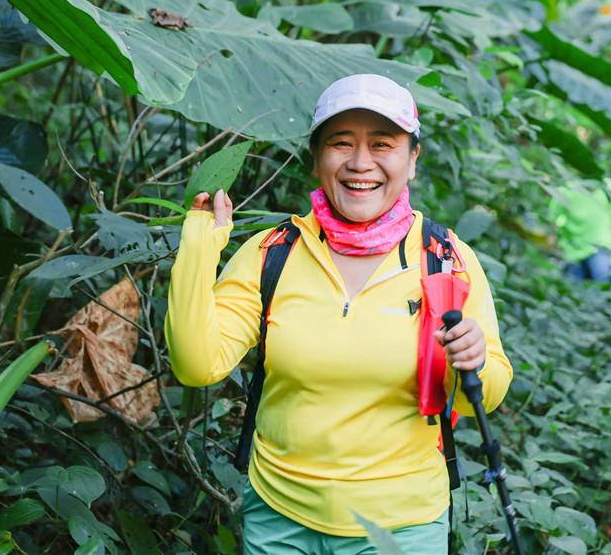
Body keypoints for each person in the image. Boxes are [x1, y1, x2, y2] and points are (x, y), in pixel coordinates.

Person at [164, 73, 513, 555]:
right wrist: (202, 241)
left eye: (383, 144)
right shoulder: (273, 254)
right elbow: (195, 364)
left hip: (401, 526)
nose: (360, 162)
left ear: (412, 160)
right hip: (278, 516)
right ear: (317, 160)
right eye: (341, 143)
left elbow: (490, 393)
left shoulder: (445, 257)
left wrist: (473, 360)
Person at [550, 177, 611, 282]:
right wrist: (558, 244)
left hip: (602, 247)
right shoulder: (565, 190)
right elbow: (553, 219)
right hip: (573, 250)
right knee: (572, 290)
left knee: (601, 286)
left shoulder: (607, 186)